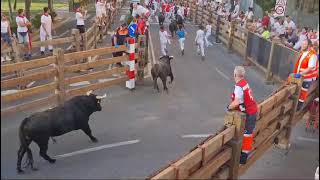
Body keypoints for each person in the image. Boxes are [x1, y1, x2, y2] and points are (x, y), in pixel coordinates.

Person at [227, 66, 258, 165]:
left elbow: (236, 102)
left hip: (249, 113)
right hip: (252, 110)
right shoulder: (244, 83)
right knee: (248, 134)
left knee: (246, 135)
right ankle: (243, 155)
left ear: (235, 75)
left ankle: (242, 158)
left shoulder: (239, 87)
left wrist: (229, 107)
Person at [293, 39, 319, 110]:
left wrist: (301, 73)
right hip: (300, 75)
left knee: (303, 91)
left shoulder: (312, 55)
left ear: (309, 45)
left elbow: (310, 67)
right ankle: (294, 104)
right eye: (302, 43)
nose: (302, 45)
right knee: (297, 90)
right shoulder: (304, 52)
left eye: (304, 44)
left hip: (306, 77)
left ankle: (299, 106)